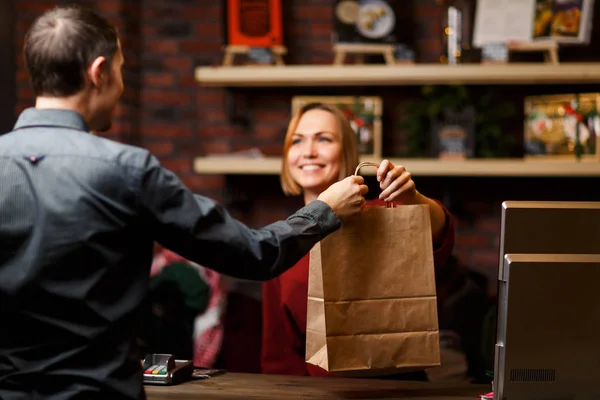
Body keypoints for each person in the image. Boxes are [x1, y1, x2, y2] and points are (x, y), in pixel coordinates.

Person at [0, 6, 369, 400]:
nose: (122, 86)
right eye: (122, 71)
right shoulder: (128, 170)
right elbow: (257, 254)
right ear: (99, 72)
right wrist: (326, 210)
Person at [261, 102, 456, 377]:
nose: (308, 151)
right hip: (319, 395)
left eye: (324, 139)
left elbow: (440, 235)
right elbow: (279, 356)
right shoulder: (280, 238)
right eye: (297, 141)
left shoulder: (381, 213)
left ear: (347, 152)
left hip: (398, 389)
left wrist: (413, 199)